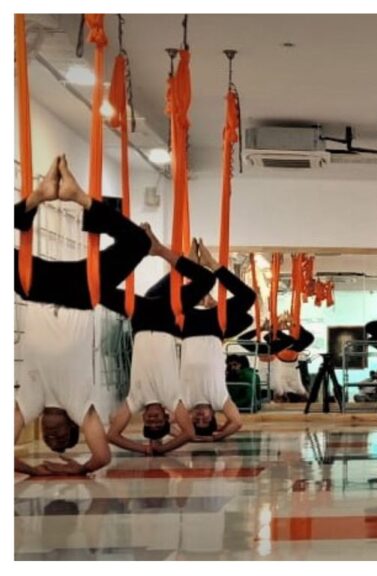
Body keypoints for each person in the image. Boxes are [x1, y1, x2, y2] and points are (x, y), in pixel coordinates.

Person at [14, 156, 149, 476]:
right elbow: (102, 457)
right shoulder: (80, 406)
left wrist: (32, 471)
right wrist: (74, 470)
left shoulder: (28, 403)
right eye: (62, 437)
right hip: (82, 292)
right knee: (139, 243)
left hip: (35, 288)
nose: (52, 434)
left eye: (49, 438)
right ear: (76, 427)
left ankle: (37, 198)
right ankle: (80, 198)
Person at [103, 238, 216, 455]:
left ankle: (142, 250)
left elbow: (112, 435)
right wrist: (164, 448)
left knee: (95, 288)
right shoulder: (172, 398)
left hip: (140, 316)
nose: (153, 420)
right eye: (158, 424)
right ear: (167, 416)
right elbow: (189, 433)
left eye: (149, 424)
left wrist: (143, 449)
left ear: (142, 419)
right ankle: (164, 252)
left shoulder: (134, 400)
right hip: (166, 317)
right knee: (206, 279)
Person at [147, 240, 254, 440]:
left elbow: (162, 425)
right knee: (248, 298)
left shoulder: (183, 403)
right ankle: (212, 264)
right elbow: (237, 422)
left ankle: (186, 264)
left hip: (186, 329)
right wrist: (217, 436)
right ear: (215, 416)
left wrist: (186, 434)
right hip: (215, 328)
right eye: (207, 420)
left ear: (189, 418)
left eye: (197, 421)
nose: (201, 417)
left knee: (151, 299)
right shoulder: (220, 400)